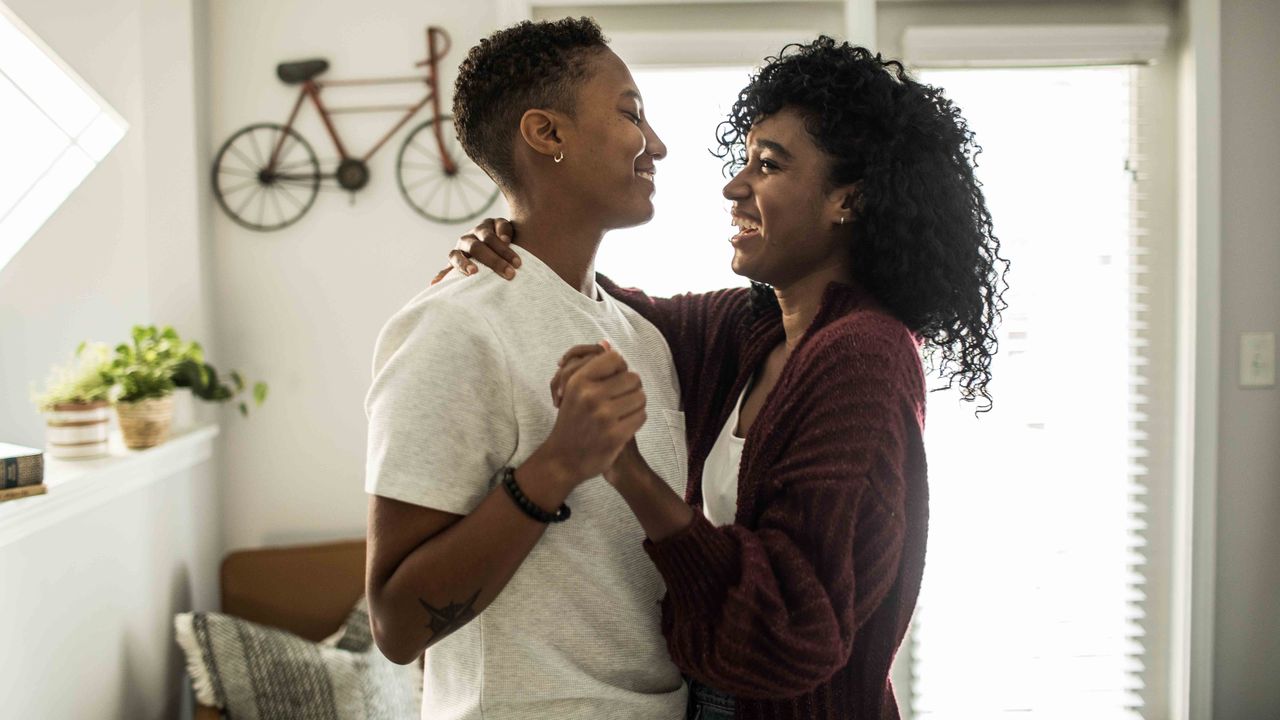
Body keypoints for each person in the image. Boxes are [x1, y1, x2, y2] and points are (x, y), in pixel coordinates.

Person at [443, 36, 1008, 720]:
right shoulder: (749, 329)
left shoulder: (865, 357)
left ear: (848, 202)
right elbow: (610, 305)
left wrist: (632, 476)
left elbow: (794, 632)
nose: (733, 186)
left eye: (767, 167)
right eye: (743, 161)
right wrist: (511, 242)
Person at [363, 17, 690, 719]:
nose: (656, 144)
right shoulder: (452, 326)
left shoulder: (644, 337)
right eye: (632, 113)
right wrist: (556, 466)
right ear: (547, 135)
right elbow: (396, 625)